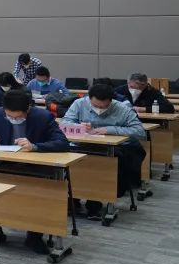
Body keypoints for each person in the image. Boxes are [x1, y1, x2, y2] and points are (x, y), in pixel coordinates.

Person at [0, 88, 68, 253]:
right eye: (9, 116)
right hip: (5, 165)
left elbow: (62, 142)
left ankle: (34, 236)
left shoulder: (43, 117)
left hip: (35, 168)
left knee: (36, 197)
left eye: (18, 117)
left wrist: (35, 146)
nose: (13, 119)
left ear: (28, 109)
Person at [61, 83, 146, 221]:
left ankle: (94, 203)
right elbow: (64, 123)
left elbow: (140, 131)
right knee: (73, 162)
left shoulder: (122, 108)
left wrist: (109, 129)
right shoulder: (79, 104)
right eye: (95, 106)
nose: (99, 110)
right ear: (89, 99)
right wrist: (78, 126)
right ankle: (73, 200)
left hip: (110, 150)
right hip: (81, 146)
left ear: (111, 101)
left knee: (101, 165)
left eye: (104, 107)